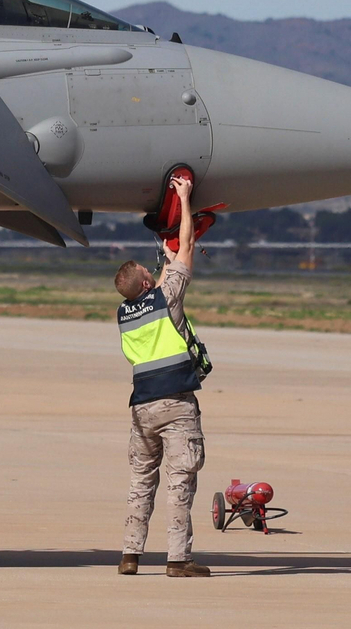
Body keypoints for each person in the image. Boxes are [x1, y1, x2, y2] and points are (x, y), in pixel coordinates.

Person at [115, 172, 210, 578]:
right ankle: (178, 559)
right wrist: (184, 200)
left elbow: (171, 267)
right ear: (148, 281)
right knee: (180, 480)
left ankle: (129, 555)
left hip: (142, 409)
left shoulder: (124, 313)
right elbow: (186, 245)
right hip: (174, 404)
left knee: (141, 481)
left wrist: (167, 264)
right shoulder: (166, 296)